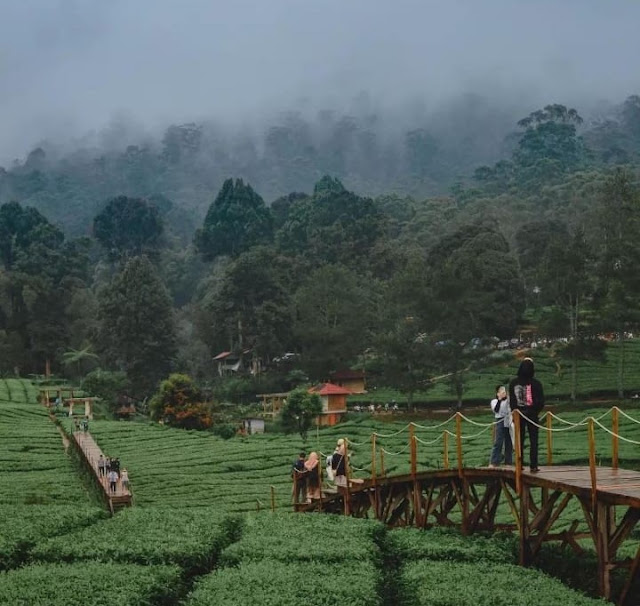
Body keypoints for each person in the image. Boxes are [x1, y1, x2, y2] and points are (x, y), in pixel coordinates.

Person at [509, 357, 544, 472]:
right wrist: (534, 411)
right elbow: (541, 401)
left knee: (520, 440)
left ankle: (519, 464)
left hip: (518, 415)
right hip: (532, 415)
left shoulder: (513, 383)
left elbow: (513, 402)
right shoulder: (537, 384)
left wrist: (516, 412)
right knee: (534, 440)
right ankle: (533, 465)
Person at [488, 385, 513, 467]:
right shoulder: (494, 401)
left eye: (504, 391)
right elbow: (496, 410)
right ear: (497, 393)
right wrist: (499, 400)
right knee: (498, 441)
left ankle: (508, 462)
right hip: (500, 421)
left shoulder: (508, 400)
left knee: (508, 442)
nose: (503, 393)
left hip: (508, 420)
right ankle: (494, 462)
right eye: (501, 391)